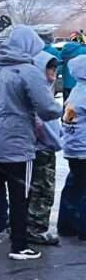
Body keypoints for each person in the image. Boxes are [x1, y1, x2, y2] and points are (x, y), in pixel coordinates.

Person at [0, 26, 61, 260]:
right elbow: (47, 108)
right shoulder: (28, 71)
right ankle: (19, 246)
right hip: (18, 145)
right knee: (21, 195)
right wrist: (59, 109)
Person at [26, 51, 61, 246]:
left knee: (38, 189)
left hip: (45, 147)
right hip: (41, 148)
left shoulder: (47, 89)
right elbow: (41, 123)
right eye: (50, 68)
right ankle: (35, 229)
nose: (53, 72)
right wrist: (55, 141)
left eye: (55, 68)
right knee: (41, 191)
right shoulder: (38, 92)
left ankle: (29, 226)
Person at [59, 55, 86, 240]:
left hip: (72, 148)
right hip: (84, 148)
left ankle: (66, 225)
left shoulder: (77, 90)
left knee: (74, 186)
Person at [59, 31, 86, 101]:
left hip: (66, 83)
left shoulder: (65, 49)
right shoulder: (83, 49)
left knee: (67, 105)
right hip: (80, 84)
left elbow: (59, 62)